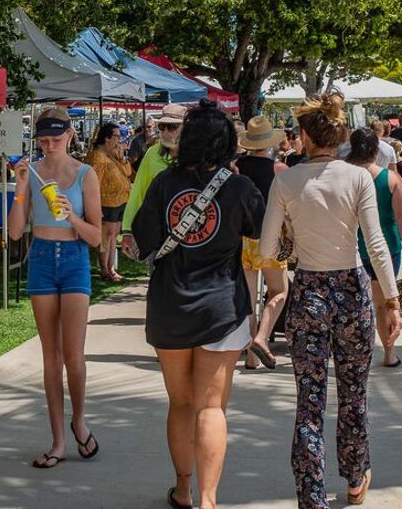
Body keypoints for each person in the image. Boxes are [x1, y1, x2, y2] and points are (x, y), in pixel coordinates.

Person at [260, 92, 400, 508]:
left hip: (308, 292)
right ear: (337, 135)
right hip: (353, 289)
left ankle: (312, 495)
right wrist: (390, 301)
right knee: (354, 391)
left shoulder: (285, 180)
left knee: (310, 400)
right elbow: (375, 244)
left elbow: (268, 247)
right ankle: (356, 476)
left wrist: (291, 235)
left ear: (303, 135)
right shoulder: (358, 177)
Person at [132, 102, 264, 509]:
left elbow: (144, 237)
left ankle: (184, 490)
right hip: (221, 307)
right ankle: (209, 500)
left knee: (181, 404)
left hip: (171, 304)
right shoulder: (239, 187)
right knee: (211, 408)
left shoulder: (164, 184)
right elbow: (258, 227)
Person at [8, 106, 102, 469]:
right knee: (51, 357)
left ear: (70, 136)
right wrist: (19, 189)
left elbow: (96, 237)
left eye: (56, 139)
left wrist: (71, 216)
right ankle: (58, 440)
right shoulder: (31, 173)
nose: (49, 146)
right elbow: (16, 231)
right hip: (43, 256)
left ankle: (79, 420)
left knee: (73, 356)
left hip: (75, 256)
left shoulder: (85, 174)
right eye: (43, 140)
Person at [346, 129, 402, 369]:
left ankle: (357, 352)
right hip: (388, 246)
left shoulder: (345, 177)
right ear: (377, 150)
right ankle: (389, 352)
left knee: (358, 303)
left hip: (354, 247)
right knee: (384, 301)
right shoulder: (391, 179)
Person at [235, 116, 289, 370]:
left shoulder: (235, 167)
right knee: (279, 291)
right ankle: (261, 337)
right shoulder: (279, 170)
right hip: (271, 237)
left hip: (243, 238)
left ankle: (251, 352)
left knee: (248, 296)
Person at [121, 106, 185, 256]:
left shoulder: (197, 155)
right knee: (158, 277)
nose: (166, 132)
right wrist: (128, 231)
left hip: (189, 232)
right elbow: (138, 191)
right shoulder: (152, 154)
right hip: (158, 233)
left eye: (173, 127)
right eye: (162, 127)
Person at [85, 122, 132, 281]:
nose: (119, 140)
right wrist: (95, 206)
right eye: (116, 136)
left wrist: (122, 158)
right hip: (106, 202)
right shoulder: (98, 157)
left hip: (119, 200)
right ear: (107, 138)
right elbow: (93, 184)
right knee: (107, 235)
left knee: (114, 234)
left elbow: (128, 172)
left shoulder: (112, 154)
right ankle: (105, 268)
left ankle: (111, 268)